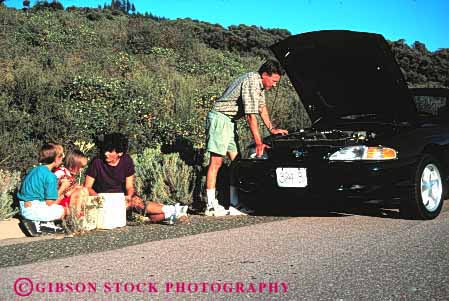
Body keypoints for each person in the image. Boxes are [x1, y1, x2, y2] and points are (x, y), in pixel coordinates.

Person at [205, 59, 289, 216]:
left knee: (237, 163)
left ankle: (235, 204)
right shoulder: (251, 80)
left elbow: (261, 108)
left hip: (229, 121)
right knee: (216, 162)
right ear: (265, 75)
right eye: (274, 81)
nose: (275, 85)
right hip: (220, 118)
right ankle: (210, 206)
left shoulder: (260, 85)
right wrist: (259, 143)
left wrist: (272, 129)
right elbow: (250, 116)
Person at [84, 133, 188, 224]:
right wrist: (99, 199)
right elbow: (87, 187)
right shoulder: (97, 162)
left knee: (140, 205)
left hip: (122, 199)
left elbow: (129, 186)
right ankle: (175, 211)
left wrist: (128, 196)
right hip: (104, 198)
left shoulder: (126, 161)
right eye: (105, 150)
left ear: (119, 153)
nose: (106, 154)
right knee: (144, 211)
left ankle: (171, 212)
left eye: (110, 151)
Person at [17, 143, 66, 236]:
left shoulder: (34, 170)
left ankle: (40, 222)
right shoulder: (50, 176)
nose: (62, 158)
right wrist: (63, 188)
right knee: (62, 210)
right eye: (62, 156)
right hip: (34, 210)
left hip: (24, 207)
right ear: (57, 159)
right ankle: (41, 224)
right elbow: (50, 203)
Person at [53, 149, 89, 218]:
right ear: (72, 164)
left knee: (84, 190)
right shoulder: (60, 173)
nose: (81, 169)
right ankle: (75, 216)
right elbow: (53, 193)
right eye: (80, 166)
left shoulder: (70, 175)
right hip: (59, 203)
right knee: (80, 192)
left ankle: (78, 213)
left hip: (66, 201)